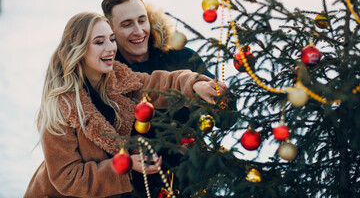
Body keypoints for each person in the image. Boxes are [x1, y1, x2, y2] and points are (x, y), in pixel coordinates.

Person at [24, 12, 226, 198]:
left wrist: (194, 84)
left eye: (112, 39)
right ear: (78, 49)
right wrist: (126, 165)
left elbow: (156, 84)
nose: (111, 47)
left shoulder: (117, 78)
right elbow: (67, 177)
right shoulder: (60, 106)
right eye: (99, 42)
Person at [101, 0, 221, 197]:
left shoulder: (181, 57)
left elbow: (226, 118)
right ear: (110, 31)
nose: (139, 31)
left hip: (191, 183)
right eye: (127, 24)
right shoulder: (105, 74)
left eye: (142, 20)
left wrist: (220, 99)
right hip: (135, 189)